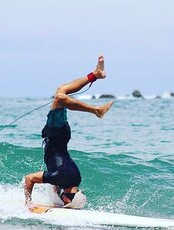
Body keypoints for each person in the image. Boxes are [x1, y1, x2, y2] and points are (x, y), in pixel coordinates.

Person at [24, 55, 113, 209]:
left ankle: (95, 75)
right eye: (66, 202)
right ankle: (96, 110)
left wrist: (55, 197)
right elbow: (29, 179)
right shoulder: (59, 178)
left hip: (63, 137)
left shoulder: (76, 180)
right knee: (59, 98)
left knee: (61, 90)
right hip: (55, 135)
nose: (63, 201)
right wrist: (28, 203)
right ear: (69, 198)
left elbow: (59, 179)